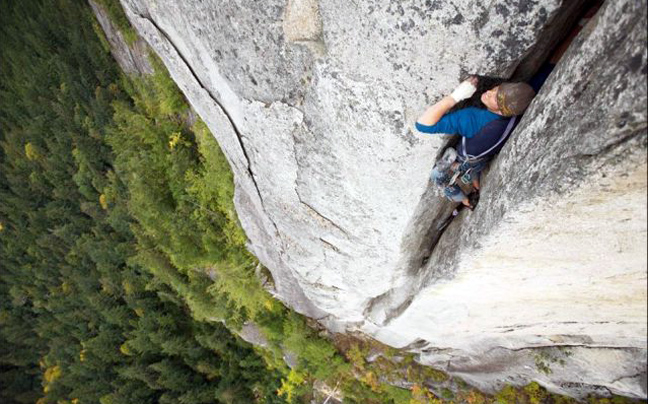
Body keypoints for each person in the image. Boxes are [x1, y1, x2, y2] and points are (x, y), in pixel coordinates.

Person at [416, 78, 536, 208]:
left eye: (495, 98)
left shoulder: (473, 119)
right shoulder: (516, 113)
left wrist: (456, 96)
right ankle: (476, 187)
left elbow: (423, 125)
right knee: (475, 167)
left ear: (503, 109)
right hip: (482, 158)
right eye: (495, 89)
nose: (489, 92)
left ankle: (465, 201)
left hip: (464, 162)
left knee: (437, 176)